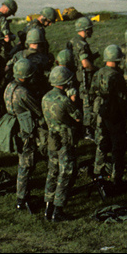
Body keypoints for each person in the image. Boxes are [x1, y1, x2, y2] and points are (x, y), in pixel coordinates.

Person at [42, 66, 82, 221]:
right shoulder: (64, 100)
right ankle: (58, 209)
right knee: (66, 172)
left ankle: (48, 206)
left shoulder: (45, 97)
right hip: (65, 139)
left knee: (52, 172)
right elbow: (77, 117)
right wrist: (74, 100)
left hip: (52, 139)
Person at [5, 58, 44, 213]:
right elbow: (37, 111)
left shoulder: (10, 86)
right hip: (26, 131)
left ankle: (23, 194)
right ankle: (22, 198)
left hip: (16, 126)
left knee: (24, 163)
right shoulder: (23, 92)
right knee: (26, 164)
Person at [91, 45, 127, 198]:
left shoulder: (98, 73)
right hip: (115, 114)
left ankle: (97, 171)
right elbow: (123, 99)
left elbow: (92, 92)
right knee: (117, 146)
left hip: (100, 111)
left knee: (101, 142)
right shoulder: (117, 76)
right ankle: (116, 177)